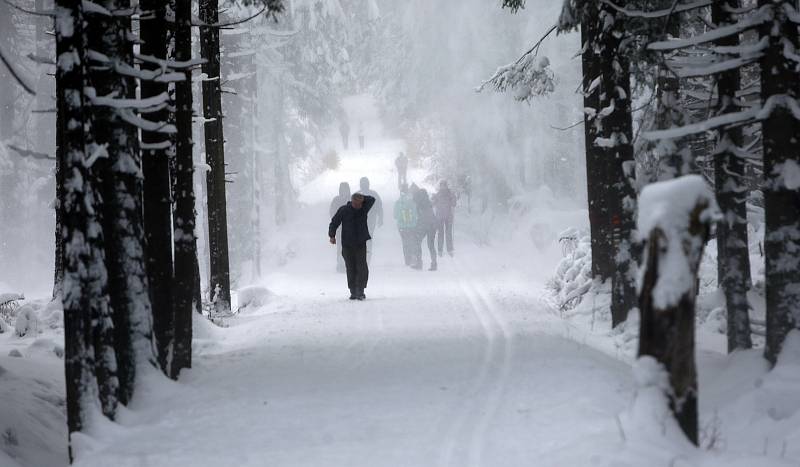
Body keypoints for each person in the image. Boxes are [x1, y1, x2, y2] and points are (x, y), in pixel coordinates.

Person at [329, 193, 376, 300]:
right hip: (347, 244)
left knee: (362, 267)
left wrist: (363, 198)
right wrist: (332, 235)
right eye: (356, 203)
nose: (358, 206)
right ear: (352, 202)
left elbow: (372, 199)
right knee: (351, 268)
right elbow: (334, 222)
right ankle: (353, 291)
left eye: (360, 204)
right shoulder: (344, 210)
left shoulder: (364, 208)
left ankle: (360, 290)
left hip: (360, 243)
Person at [412, 188, 437, 271]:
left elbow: (420, 217)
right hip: (432, 225)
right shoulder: (428, 202)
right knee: (431, 245)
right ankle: (434, 264)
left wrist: (417, 226)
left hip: (425, 225)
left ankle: (419, 263)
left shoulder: (420, 203)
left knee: (417, 242)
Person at [359, 177, 383, 262]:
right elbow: (379, 206)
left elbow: (379, 206)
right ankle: (365, 256)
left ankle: (365, 256)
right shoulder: (373, 194)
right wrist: (380, 217)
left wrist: (381, 217)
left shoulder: (359, 194)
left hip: (367, 221)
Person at [393, 184, 418, 266]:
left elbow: (395, 215)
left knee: (405, 242)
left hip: (402, 227)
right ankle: (413, 256)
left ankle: (407, 260)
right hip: (412, 225)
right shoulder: (413, 201)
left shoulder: (398, 202)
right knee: (412, 241)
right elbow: (416, 213)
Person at [330, 182, 351, 273]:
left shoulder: (350, 200)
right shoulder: (337, 200)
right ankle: (341, 265)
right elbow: (332, 212)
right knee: (341, 247)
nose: (344, 192)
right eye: (342, 189)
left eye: (345, 189)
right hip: (341, 228)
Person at [432, 180, 457, 257]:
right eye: (442, 185)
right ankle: (441, 250)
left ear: (446, 186)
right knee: (441, 233)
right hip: (440, 217)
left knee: (447, 233)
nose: (443, 187)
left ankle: (448, 249)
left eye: (444, 185)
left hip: (447, 217)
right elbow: (433, 203)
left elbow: (454, 204)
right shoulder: (439, 194)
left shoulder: (450, 194)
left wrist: (454, 198)